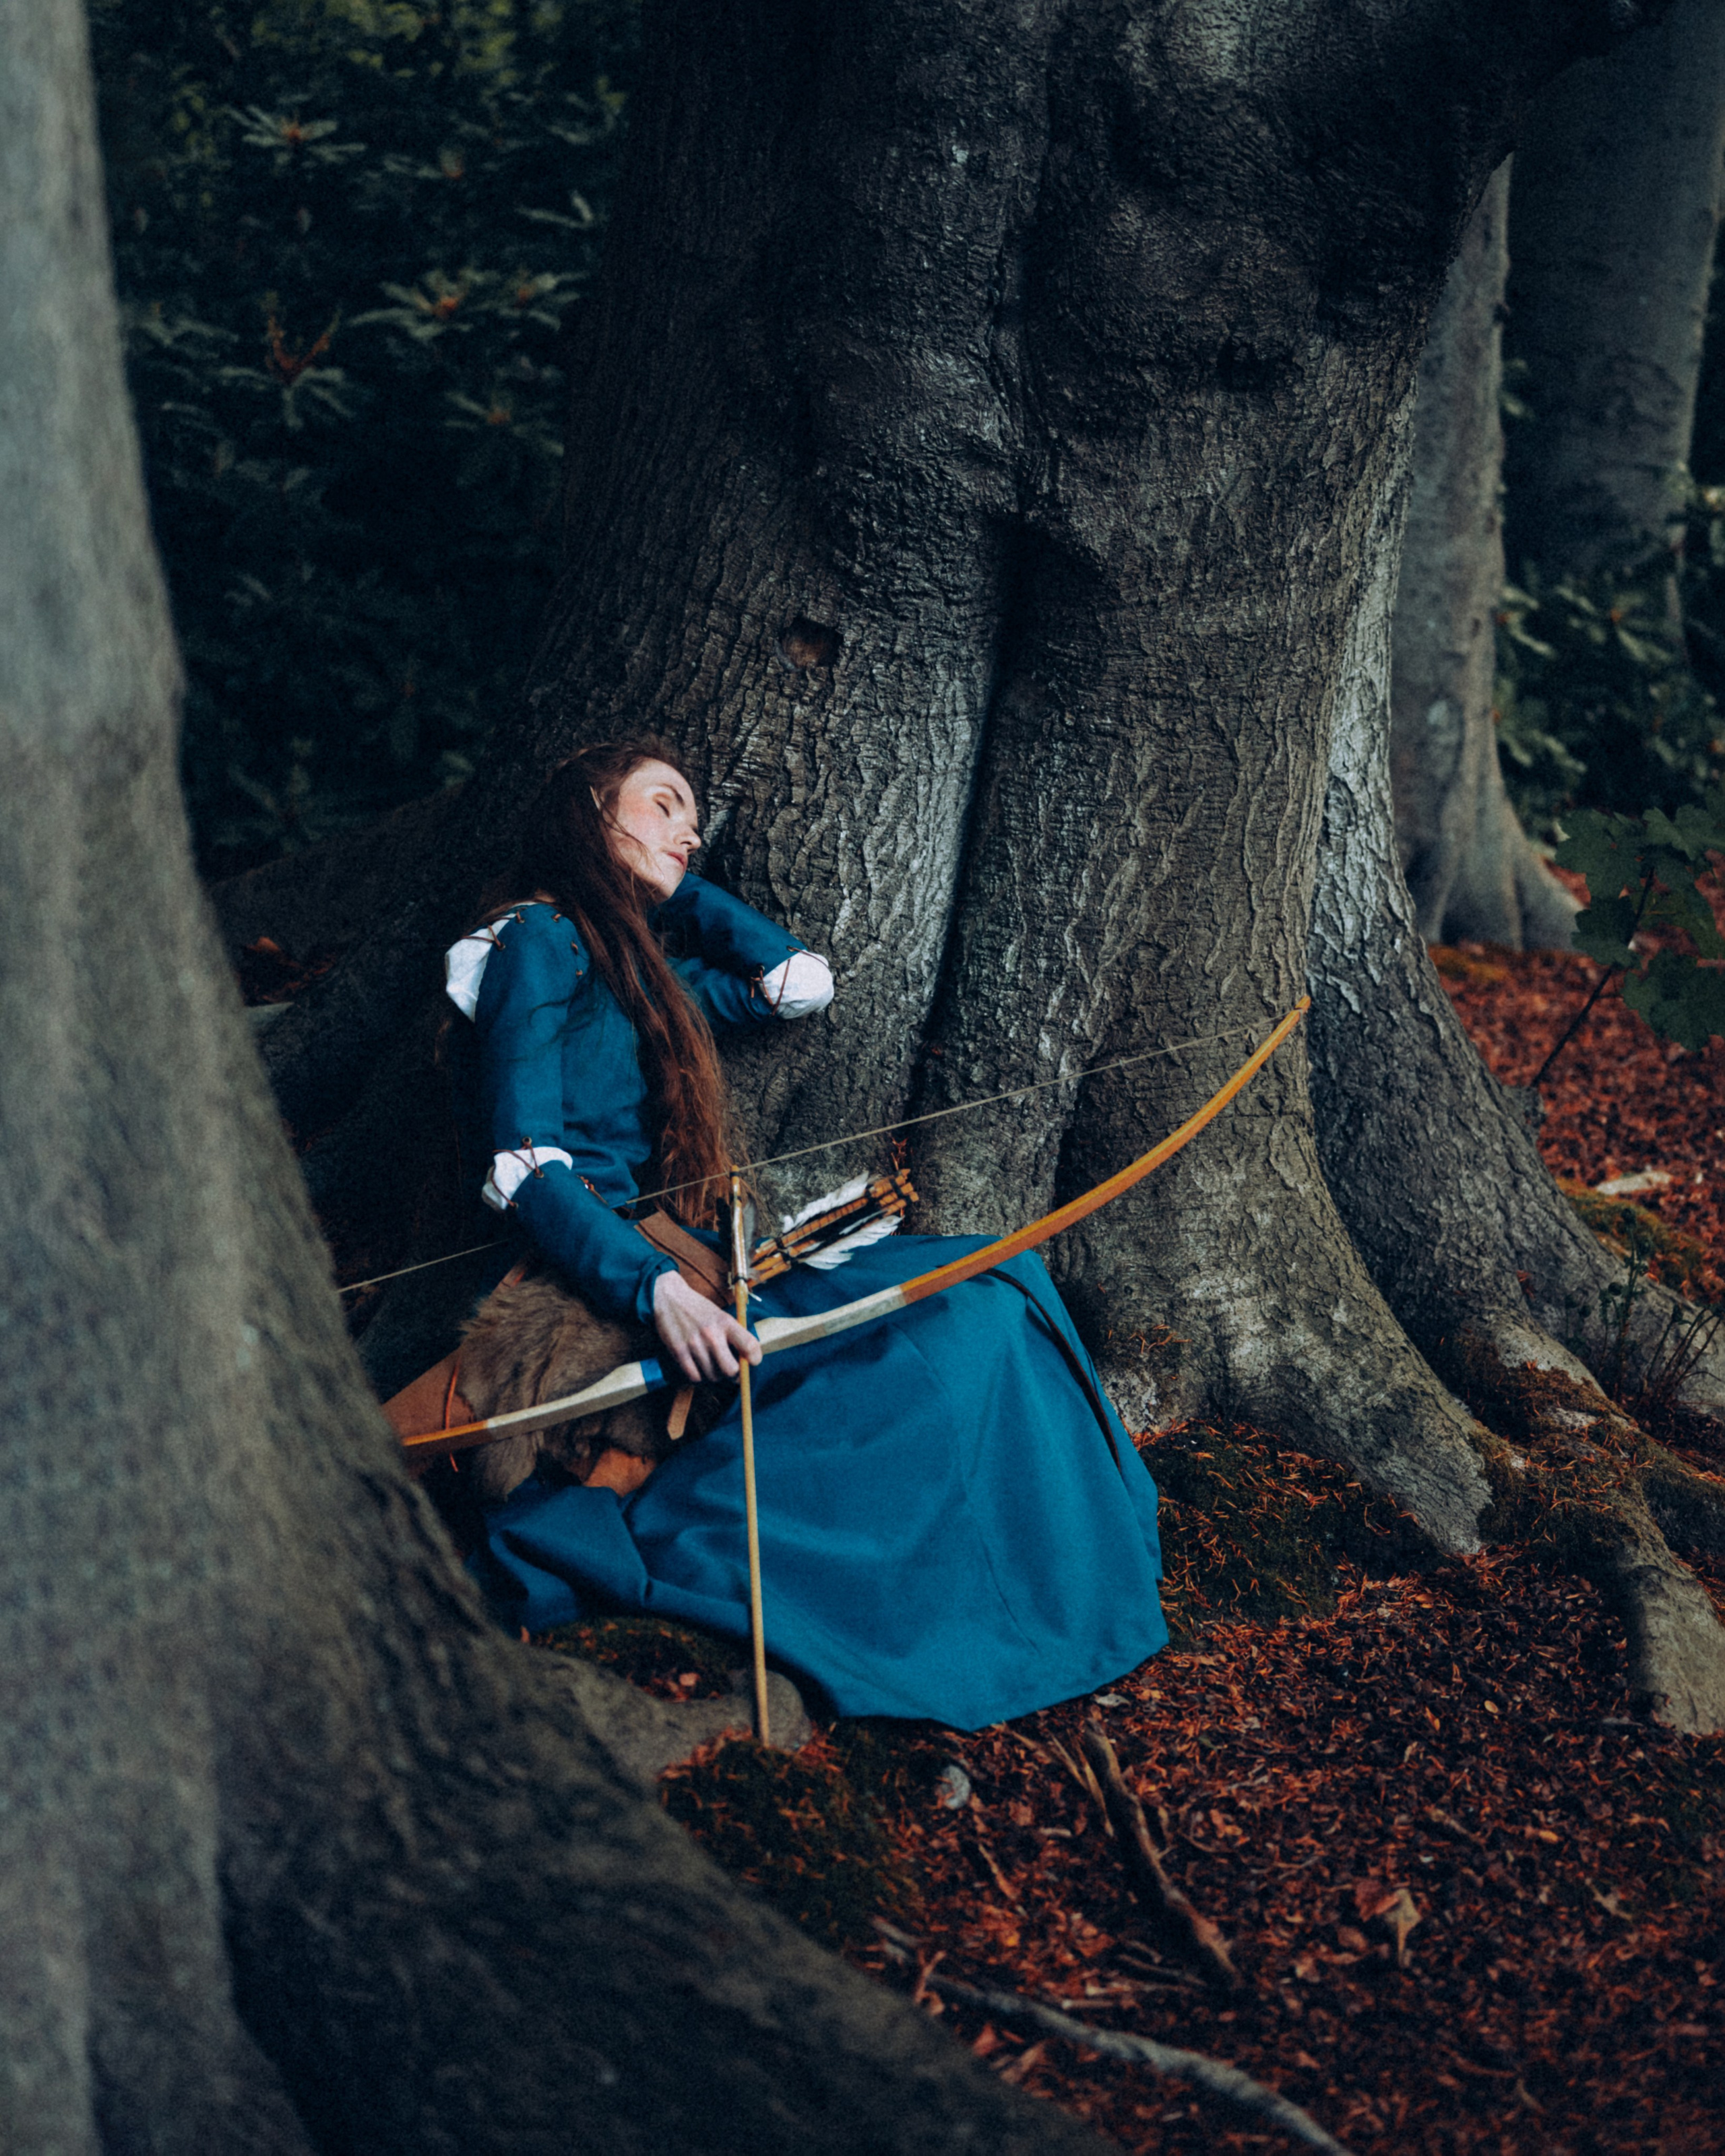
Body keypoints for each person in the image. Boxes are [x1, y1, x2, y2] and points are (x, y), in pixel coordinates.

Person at [438, 737, 1168, 1729]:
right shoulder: (536, 938)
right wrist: (651, 1289)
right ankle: (974, 1623)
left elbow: (798, 983)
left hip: (710, 1264)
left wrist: (664, 890)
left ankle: (1060, 1586)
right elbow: (523, 1163)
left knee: (996, 1287)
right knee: (948, 1349)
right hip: (617, 1275)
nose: (690, 829)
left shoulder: (652, 977)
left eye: (692, 815)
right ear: (589, 815)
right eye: (662, 805)